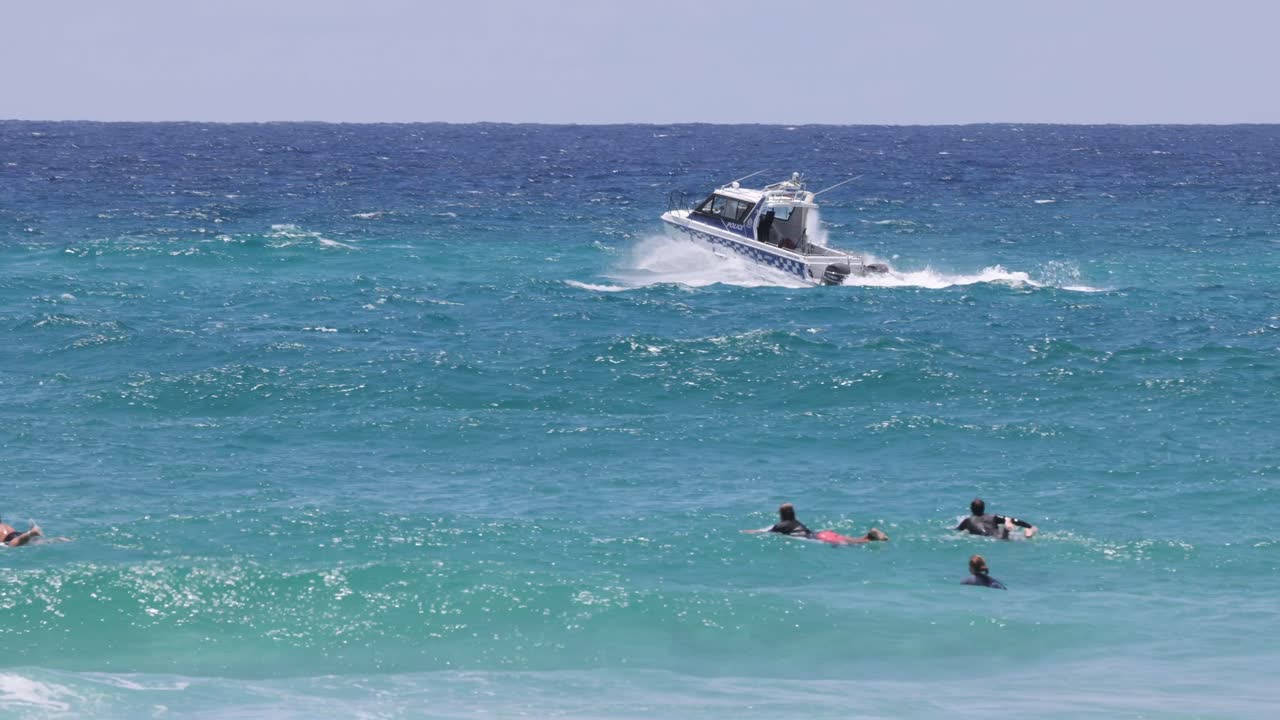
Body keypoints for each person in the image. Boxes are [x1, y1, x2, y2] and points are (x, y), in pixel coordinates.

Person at [955, 498, 1037, 539]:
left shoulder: (967, 521)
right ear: (984, 508)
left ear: (971, 509)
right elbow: (1014, 520)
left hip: (985, 538)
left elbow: (957, 530)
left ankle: (1006, 530)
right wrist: (1029, 526)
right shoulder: (993, 517)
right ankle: (1007, 529)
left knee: (1002, 538)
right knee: (1007, 521)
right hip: (996, 535)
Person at [742, 503, 813, 538]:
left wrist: (750, 531)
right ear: (793, 513)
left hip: (801, 537)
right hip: (810, 535)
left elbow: (766, 532)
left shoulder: (780, 526)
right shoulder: (798, 522)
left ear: (781, 514)